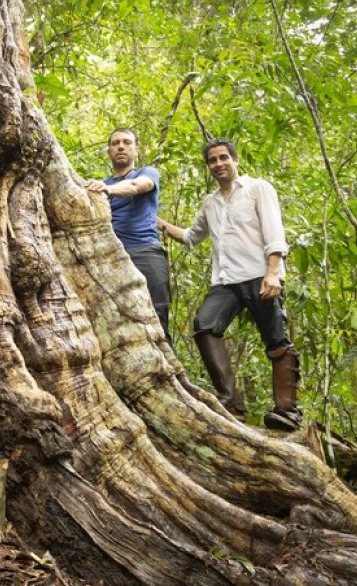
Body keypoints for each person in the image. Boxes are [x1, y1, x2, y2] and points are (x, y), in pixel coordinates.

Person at [157, 138, 301, 431]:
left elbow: (275, 232)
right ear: (208, 166)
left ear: (235, 160)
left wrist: (273, 273)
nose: (218, 164)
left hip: (260, 274)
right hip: (226, 280)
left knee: (276, 341)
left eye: (224, 157)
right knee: (205, 324)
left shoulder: (257, 189)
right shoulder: (210, 202)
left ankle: (287, 411)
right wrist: (157, 222)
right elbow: (190, 236)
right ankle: (231, 402)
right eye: (212, 160)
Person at [86, 127, 171, 341]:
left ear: (136, 150)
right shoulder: (102, 183)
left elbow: (136, 186)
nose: (121, 147)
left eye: (126, 142)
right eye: (115, 143)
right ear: (109, 151)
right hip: (111, 257)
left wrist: (107, 189)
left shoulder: (146, 173)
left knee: (157, 317)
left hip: (145, 253)